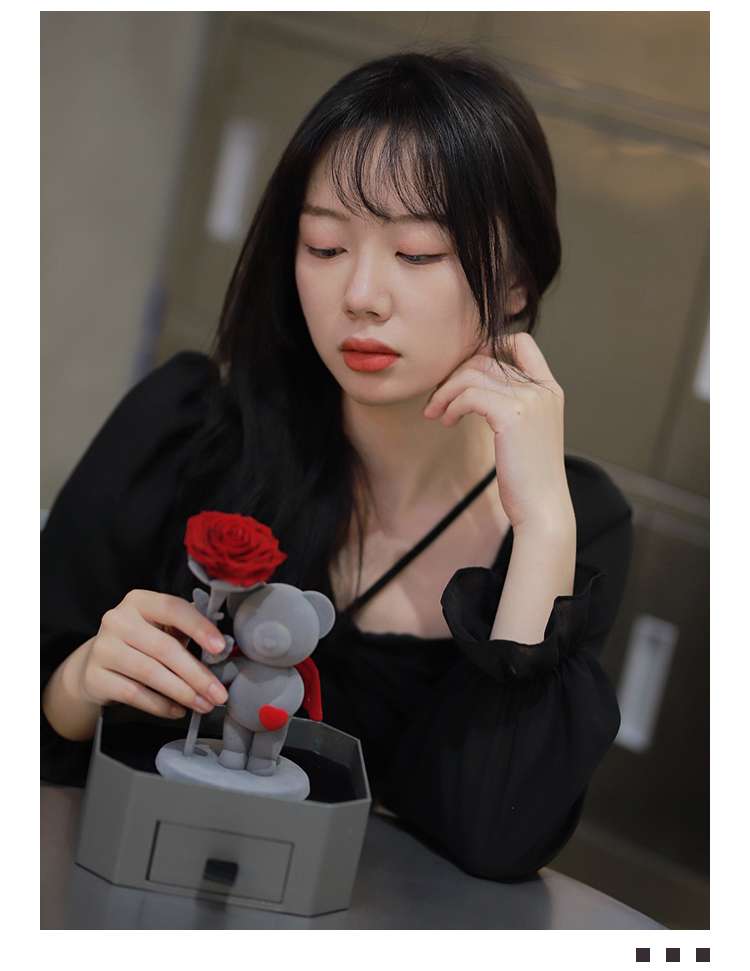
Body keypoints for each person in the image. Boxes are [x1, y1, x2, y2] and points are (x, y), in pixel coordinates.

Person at [41, 47, 633, 881]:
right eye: (324, 246)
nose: (361, 295)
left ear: (516, 283)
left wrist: (540, 527)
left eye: (417, 254)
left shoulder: (575, 522)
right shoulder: (189, 428)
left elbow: (497, 834)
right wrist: (77, 682)